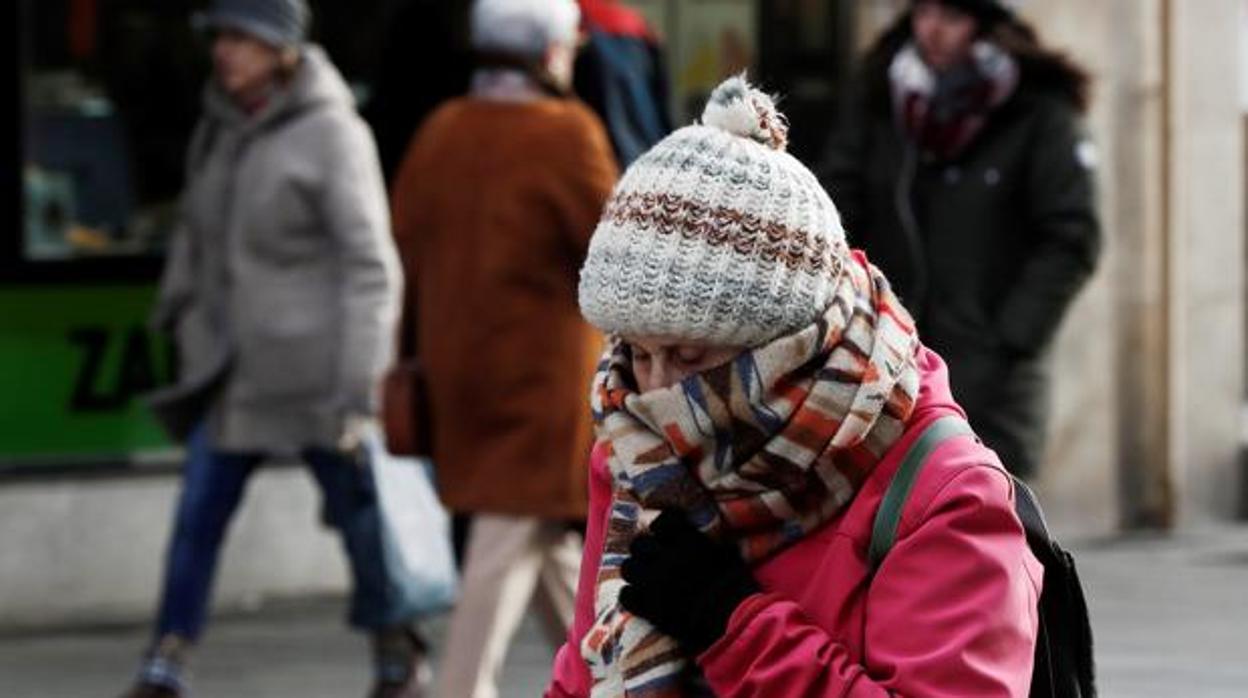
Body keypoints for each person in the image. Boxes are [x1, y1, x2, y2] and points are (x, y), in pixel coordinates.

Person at [547, 75, 1042, 697]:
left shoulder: (947, 496)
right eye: (638, 353)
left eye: (689, 355)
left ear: (788, 346)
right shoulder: (636, 445)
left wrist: (733, 624)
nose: (656, 391)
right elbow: (583, 673)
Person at [127, 2, 420, 697]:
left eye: (239, 37)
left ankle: (397, 653)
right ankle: (165, 662)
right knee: (197, 516)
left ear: (280, 48)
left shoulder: (332, 133)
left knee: (364, 527)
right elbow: (200, 233)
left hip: (317, 380)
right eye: (219, 36)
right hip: (233, 373)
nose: (223, 51)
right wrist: (178, 312)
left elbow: (370, 267)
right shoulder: (222, 126)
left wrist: (360, 388)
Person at [387, 0, 617, 695]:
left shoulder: (441, 131)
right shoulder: (565, 133)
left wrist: (406, 351)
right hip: (543, 387)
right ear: (550, 54)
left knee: (543, 545)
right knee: (504, 538)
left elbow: (404, 252)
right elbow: (614, 258)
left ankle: (608, 682)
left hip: (456, 374)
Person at [818, 0, 1101, 479]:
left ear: (986, 24)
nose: (933, 30)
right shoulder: (881, 101)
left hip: (992, 376)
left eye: (952, 15)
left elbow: (1071, 236)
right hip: (885, 364)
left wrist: (1009, 340)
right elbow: (836, 214)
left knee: (989, 527)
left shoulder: (1039, 111)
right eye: (923, 13)